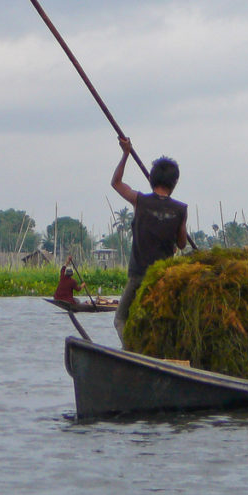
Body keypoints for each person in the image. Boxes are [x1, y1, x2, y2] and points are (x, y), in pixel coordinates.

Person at [111, 136, 188, 342]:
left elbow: (116, 183)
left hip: (138, 277)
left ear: (152, 179)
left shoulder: (140, 201)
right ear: (174, 183)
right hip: (164, 278)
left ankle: (131, 352)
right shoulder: (180, 210)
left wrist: (125, 154)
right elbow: (181, 244)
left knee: (120, 319)